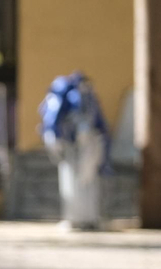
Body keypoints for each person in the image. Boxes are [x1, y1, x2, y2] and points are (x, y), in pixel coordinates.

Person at [40, 72, 109, 231]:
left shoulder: (76, 97)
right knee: (79, 182)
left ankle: (83, 219)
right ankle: (79, 219)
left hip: (79, 145)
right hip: (75, 146)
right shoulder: (81, 96)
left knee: (81, 182)